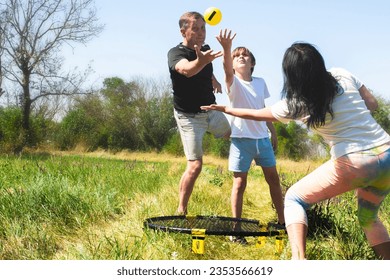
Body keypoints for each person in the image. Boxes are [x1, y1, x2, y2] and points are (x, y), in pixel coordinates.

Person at [201, 42, 390, 259]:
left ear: (291, 74)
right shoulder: (341, 73)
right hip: (387, 154)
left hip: (356, 162)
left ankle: (298, 263)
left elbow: (258, 114)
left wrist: (226, 108)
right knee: (369, 218)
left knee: (293, 199)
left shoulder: (297, 102)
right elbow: (372, 104)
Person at [216, 29, 285, 244]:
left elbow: (262, 108)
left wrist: (272, 131)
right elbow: (227, 71)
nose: (241, 58)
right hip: (240, 141)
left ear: (252, 63)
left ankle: (283, 224)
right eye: (237, 56)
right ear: (233, 64)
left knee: (273, 180)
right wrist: (227, 49)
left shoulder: (260, 82)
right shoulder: (233, 83)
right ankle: (236, 232)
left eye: (245, 55)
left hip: (262, 140)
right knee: (239, 184)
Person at [167, 11, 231, 215]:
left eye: (203, 28)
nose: (201, 33)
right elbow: (187, 70)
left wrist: (214, 80)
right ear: (183, 31)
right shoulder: (175, 54)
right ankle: (181, 210)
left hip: (211, 110)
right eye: (196, 29)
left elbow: (205, 69)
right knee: (195, 166)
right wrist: (202, 61)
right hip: (189, 117)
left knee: (235, 134)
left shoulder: (204, 50)